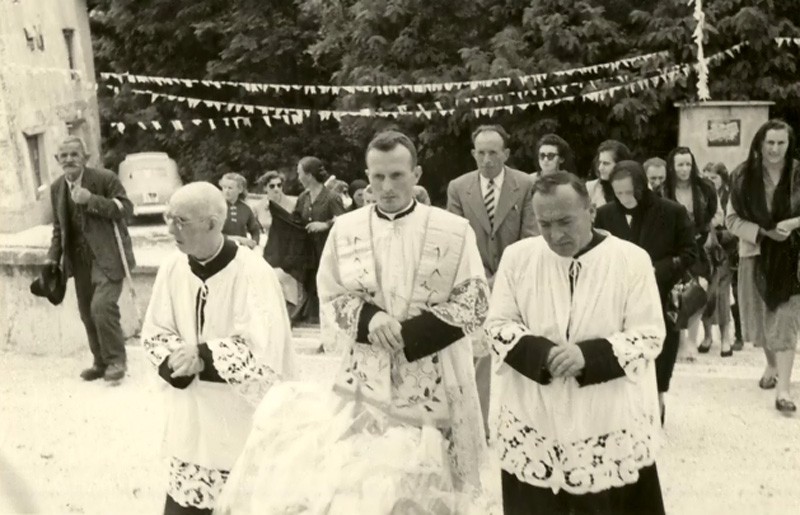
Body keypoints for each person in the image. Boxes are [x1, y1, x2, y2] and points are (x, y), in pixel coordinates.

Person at [217, 131, 492, 514]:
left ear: (417, 174)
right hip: (368, 372)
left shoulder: (453, 229)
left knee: (435, 486)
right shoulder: (346, 229)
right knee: (372, 483)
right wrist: (370, 318)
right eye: (377, 177)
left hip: (436, 372)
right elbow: (330, 292)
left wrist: (408, 336)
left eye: (397, 175)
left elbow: (473, 301)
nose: (386, 187)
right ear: (367, 174)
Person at [487, 172, 666, 515]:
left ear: (591, 211)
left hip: (606, 418)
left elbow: (649, 334)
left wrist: (588, 356)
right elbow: (497, 325)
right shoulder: (517, 257)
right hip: (534, 416)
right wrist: (542, 354)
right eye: (545, 224)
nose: (556, 235)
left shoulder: (632, 259)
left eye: (566, 221)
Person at [141, 182, 296, 514]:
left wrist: (203, 355)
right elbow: (155, 330)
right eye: (169, 217)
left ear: (212, 223)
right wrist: (174, 360)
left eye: (180, 220)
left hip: (236, 425)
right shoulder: (172, 267)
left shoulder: (253, 272)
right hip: (190, 424)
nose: (170, 229)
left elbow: (264, 349)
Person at [447, 124, 538, 433]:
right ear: (473, 153)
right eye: (481, 153)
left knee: (522, 353)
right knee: (479, 357)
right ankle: (478, 426)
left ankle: (528, 425)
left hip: (517, 282)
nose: (486, 160)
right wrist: (480, 278)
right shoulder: (458, 188)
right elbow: (458, 239)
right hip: (474, 282)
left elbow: (530, 235)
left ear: (506, 154)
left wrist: (501, 277)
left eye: (493, 153)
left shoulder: (525, 185)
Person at [595, 160, 697, 425]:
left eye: (630, 193)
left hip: (661, 294)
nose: (625, 199)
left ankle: (658, 400)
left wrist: (656, 269)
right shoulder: (606, 214)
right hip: (619, 297)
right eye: (619, 194)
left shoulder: (672, 212)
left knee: (661, 349)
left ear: (642, 187)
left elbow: (689, 253)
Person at [45, 135, 135, 382]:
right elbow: (58, 228)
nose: (69, 159)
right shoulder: (56, 188)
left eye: (74, 154)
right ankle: (100, 362)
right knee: (86, 312)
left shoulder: (105, 179)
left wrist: (91, 200)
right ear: (57, 160)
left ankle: (116, 361)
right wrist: (52, 258)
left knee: (102, 307)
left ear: (85, 157)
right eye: (63, 156)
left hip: (108, 256)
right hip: (79, 260)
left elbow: (126, 209)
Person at [726, 119, 800, 412]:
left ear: (789, 144)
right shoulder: (743, 176)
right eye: (770, 142)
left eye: (781, 143)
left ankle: (783, 391)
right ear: (759, 143)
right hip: (754, 255)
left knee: (783, 319)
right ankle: (771, 365)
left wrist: (793, 224)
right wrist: (761, 232)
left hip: (792, 258)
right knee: (759, 320)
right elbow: (731, 220)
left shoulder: (798, 173)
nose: (775, 149)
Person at [662, 147, 719, 361]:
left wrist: (704, 230)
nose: (685, 169)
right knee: (674, 294)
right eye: (680, 165)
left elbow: (715, 213)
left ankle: (692, 343)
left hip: (698, 247)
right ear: (672, 167)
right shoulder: (663, 190)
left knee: (697, 292)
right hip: (672, 247)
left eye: (688, 164)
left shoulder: (705, 188)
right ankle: (680, 341)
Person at [293, 156, 346, 323]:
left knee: (324, 283)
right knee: (309, 283)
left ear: (308, 175)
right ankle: (309, 315)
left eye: (299, 173)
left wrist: (325, 224)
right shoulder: (303, 197)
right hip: (308, 251)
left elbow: (343, 220)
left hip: (325, 248)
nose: (298, 177)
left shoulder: (331, 197)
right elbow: (296, 218)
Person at [699, 162, 739, 355]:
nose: (710, 181)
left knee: (721, 294)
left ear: (723, 178)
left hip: (724, 251)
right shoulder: (699, 194)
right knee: (706, 294)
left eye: (713, 177)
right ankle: (707, 336)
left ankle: (726, 339)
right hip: (703, 249)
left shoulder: (731, 196)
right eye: (706, 177)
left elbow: (730, 222)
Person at [255, 170, 304, 317]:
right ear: (265, 188)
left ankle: (290, 309)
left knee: (284, 277)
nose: (276, 189)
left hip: (286, 246)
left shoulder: (291, 204)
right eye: (272, 186)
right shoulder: (259, 207)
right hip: (268, 245)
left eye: (279, 185)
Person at [219, 172, 261, 249]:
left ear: (240, 190)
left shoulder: (246, 209)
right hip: (220, 250)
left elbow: (255, 229)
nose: (226, 191)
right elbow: (210, 234)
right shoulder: (216, 207)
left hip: (240, 251)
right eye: (224, 187)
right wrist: (237, 239)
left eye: (230, 188)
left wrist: (254, 242)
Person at [586, 140, 633, 208]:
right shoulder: (590, 188)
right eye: (600, 162)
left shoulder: (636, 188)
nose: (600, 168)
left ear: (621, 164)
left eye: (606, 163)